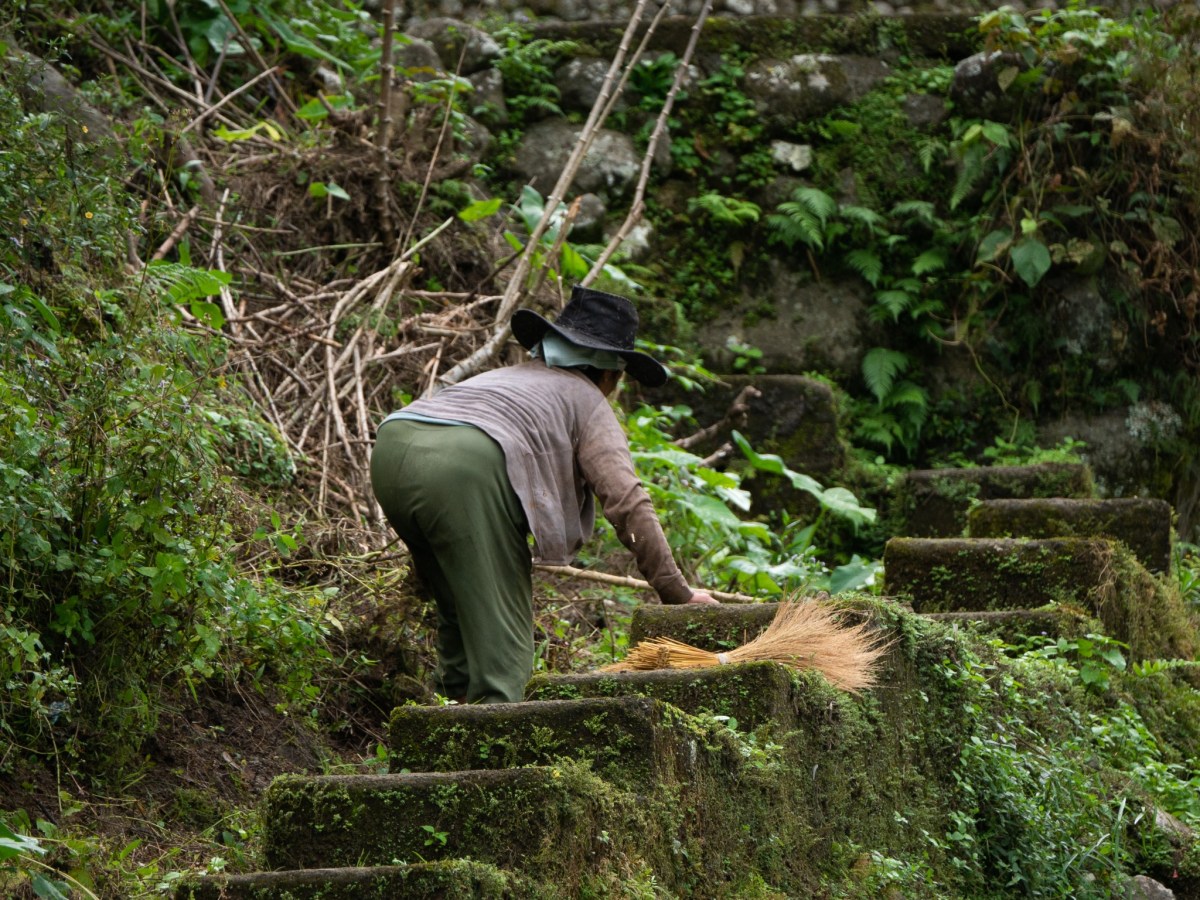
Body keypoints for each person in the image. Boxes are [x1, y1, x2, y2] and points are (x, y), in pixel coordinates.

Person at [370, 285, 720, 704]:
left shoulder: (504, 378)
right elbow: (627, 502)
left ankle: (451, 711)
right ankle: (498, 740)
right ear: (609, 373)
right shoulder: (587, 399)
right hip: (464, 464)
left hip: (393, 448)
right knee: (505, 644)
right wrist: (676, 592)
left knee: (458, 600)